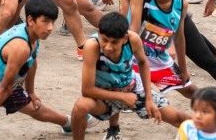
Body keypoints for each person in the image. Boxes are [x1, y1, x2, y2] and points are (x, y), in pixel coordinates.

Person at [0, 0, 74, 133]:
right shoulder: (20, 46)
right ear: (30, 20)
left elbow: (31, 62)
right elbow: (5, 87)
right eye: (45, 21)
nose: (51, 27)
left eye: (53, 22)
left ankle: (69, 123)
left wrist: (31, 92)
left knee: (36, 108)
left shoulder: (32, 33)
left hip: (4, 82)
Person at [70, 12, 173, 140]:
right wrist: (122, 96)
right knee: (80, 107)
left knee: (177, 117)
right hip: (104, 96)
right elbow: (87, 90)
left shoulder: (133, 39)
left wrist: (148, 98)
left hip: (133, 89)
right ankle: (113, 130)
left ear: (124, 39)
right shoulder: (92, 46)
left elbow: (143, 62)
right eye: (105, 40)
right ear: (99, 33)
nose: (108, 47)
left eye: (114, 42)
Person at [128, 0, 196, 101]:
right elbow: (133, 29)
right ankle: (114, 124)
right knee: (126, 95)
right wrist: (124, 62)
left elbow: (179, 37)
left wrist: (183, 70)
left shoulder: (181, 4)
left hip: (158, 58)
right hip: (134, 56)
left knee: (191, 90)